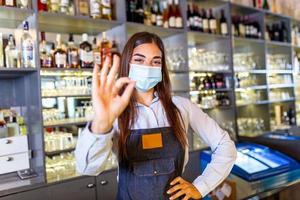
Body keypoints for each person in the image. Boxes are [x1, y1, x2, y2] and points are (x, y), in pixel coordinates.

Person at [75, 32, 237, 200]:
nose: (148, 66)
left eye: (155, 61)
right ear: (127, 63)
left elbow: (226, 146)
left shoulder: (181, 107)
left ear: (161, 68)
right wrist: (101, 124)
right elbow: (87, 168)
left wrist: (201, 186)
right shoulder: (115, 112)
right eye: (139, 60)